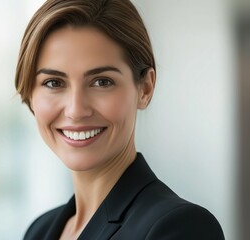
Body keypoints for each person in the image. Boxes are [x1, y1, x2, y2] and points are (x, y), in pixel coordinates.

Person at [15, 0, 225, 239]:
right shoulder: (39, 231)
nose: (75, 110)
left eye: (101, 82)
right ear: (30, 94)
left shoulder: (181, 228)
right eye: (54, 83)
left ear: (145, 88)